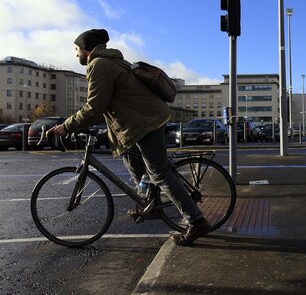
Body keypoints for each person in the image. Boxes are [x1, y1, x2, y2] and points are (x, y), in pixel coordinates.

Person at [47, 29, 210, 246]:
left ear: (86, 49)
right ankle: (150, 205)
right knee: (129, 157)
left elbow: (95, 106)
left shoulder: (99, 65)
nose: (76, 55)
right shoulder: (111, 61)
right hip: (139, 122)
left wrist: (65, 127)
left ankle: (196, 221)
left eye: (77, 50)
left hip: (145, 122)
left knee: (159, 172)